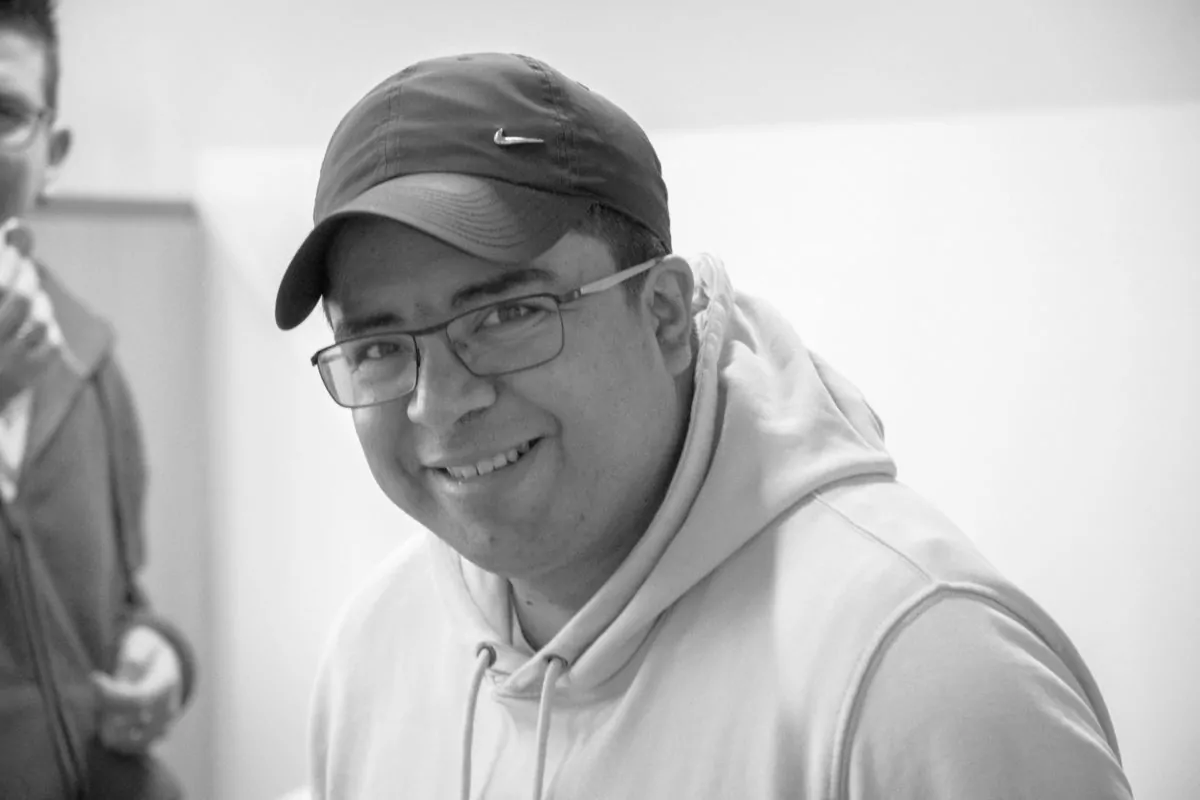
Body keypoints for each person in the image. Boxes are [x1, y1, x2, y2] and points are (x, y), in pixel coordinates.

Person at [275, 52, 1134, 799]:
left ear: (663, 315)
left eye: (507, 315)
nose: (438, 402)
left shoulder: (917, 667)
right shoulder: (377, 650)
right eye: (378, 347)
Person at [0, 2, 195, 798]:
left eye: (5, 114)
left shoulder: (89, 359)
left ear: (52, 156)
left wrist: (160, 658)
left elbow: (114, 608)